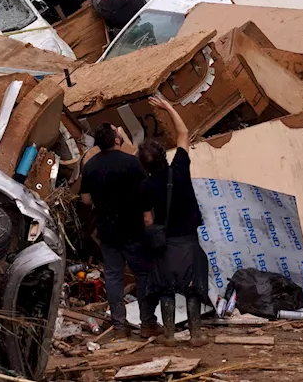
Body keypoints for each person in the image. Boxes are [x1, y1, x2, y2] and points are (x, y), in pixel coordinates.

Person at [139, 96, 209, 347]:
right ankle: (196, 334)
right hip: (189, 239)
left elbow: (147, 219)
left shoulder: (146, 186)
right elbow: (184, 132)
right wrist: (168, 107)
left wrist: (153, 236)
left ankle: (169, 334)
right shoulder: (179, 167)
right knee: (193, 286)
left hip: (166, 243)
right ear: (163, 155)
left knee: (166, 287)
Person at [81, 124, 160, 338]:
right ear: (117, 140)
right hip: (133, 228)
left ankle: (119, 326)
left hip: (107, 230)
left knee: (114, 277)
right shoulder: (132, 163)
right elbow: (145, 191)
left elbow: (86, 200)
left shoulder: (90, 166)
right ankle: (147, 324)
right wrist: (147, 217)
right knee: (143, 275)